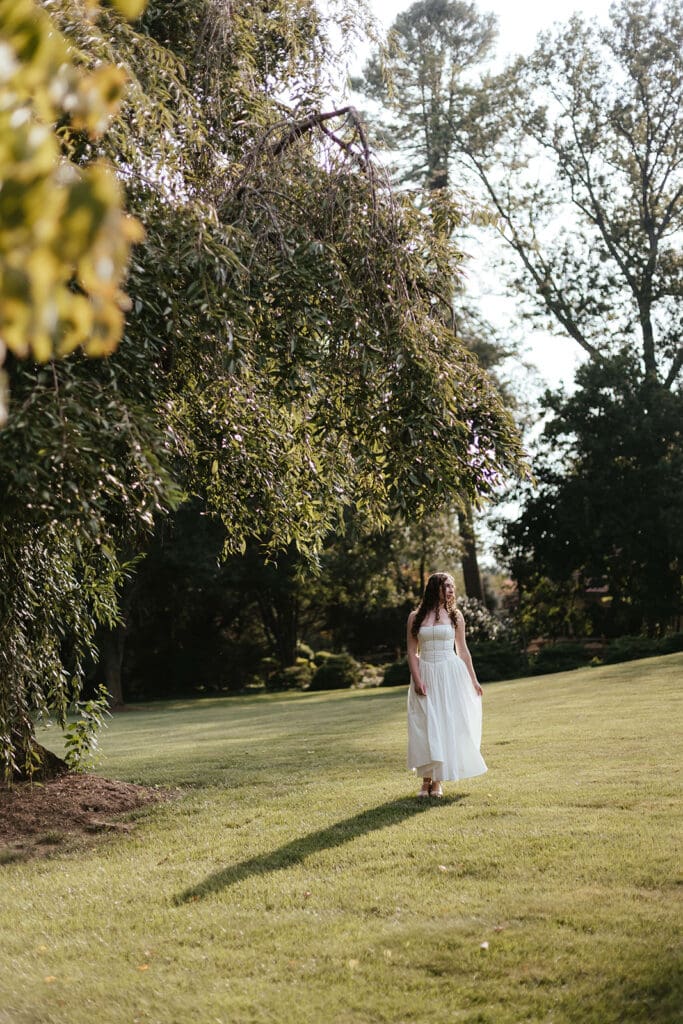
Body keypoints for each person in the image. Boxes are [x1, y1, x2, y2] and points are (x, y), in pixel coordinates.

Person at [406, 572, 487, 798]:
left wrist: (473, 679)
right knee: (425, 726)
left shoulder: (455, 616)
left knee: (444, 725)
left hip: (450, 673)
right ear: (435, 589)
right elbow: (412, 651)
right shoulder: (415, 617)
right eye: (446, 586)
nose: (451, 590)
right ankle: (425, 780)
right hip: (426, 674)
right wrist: (417, 679)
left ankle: (438, 781)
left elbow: (462, 650)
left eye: (452, 586)